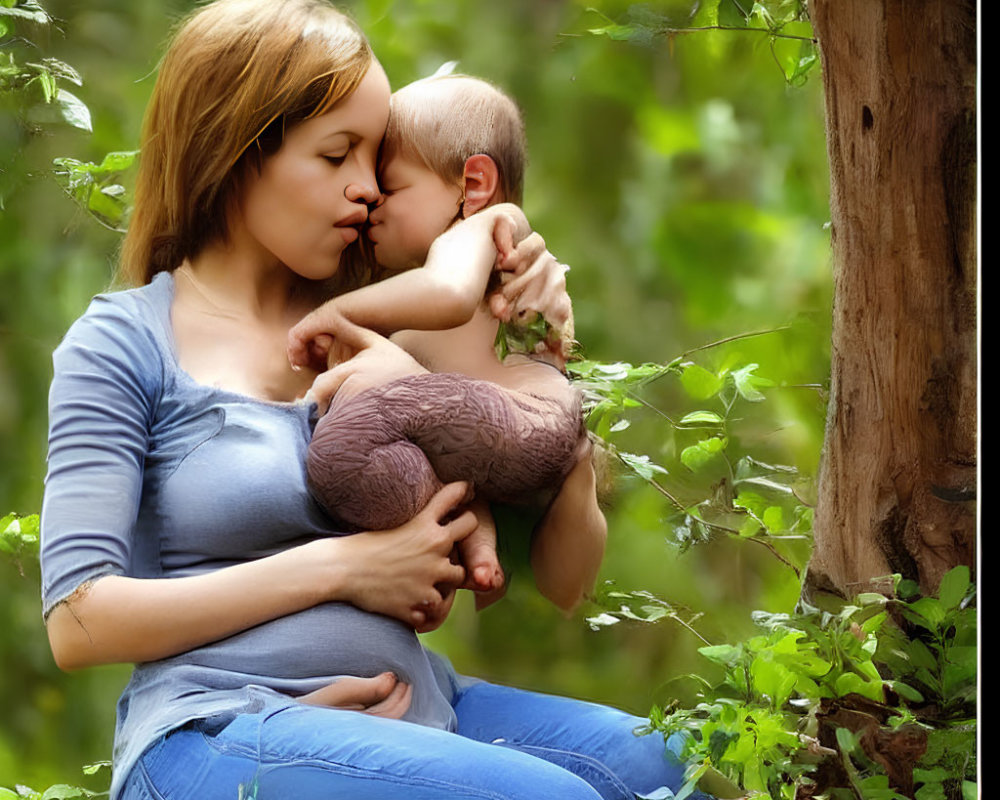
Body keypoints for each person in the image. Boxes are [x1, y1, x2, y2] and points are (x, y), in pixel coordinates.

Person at [39, 1, 709, 798]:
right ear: (238, 151)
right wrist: (346, 567)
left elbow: (562, 582)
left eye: (377, 159)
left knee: (673, 763)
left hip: (420, 704)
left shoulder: (394, 315)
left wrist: (536, 350)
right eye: (337, 155)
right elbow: (79, 621)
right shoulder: (127, 340)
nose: (366, 190)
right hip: (212, 729)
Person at [296, 74, 604, 607]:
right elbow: (564, 595)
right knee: (374, 434)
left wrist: (333, 314)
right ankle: (473, 532)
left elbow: (449, 293)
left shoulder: (486, 229)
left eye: (389, 187)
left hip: (529, 416)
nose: (371, 204)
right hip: (500, 439)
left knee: (345, 446)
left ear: (474, 185)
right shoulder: (401, 310)